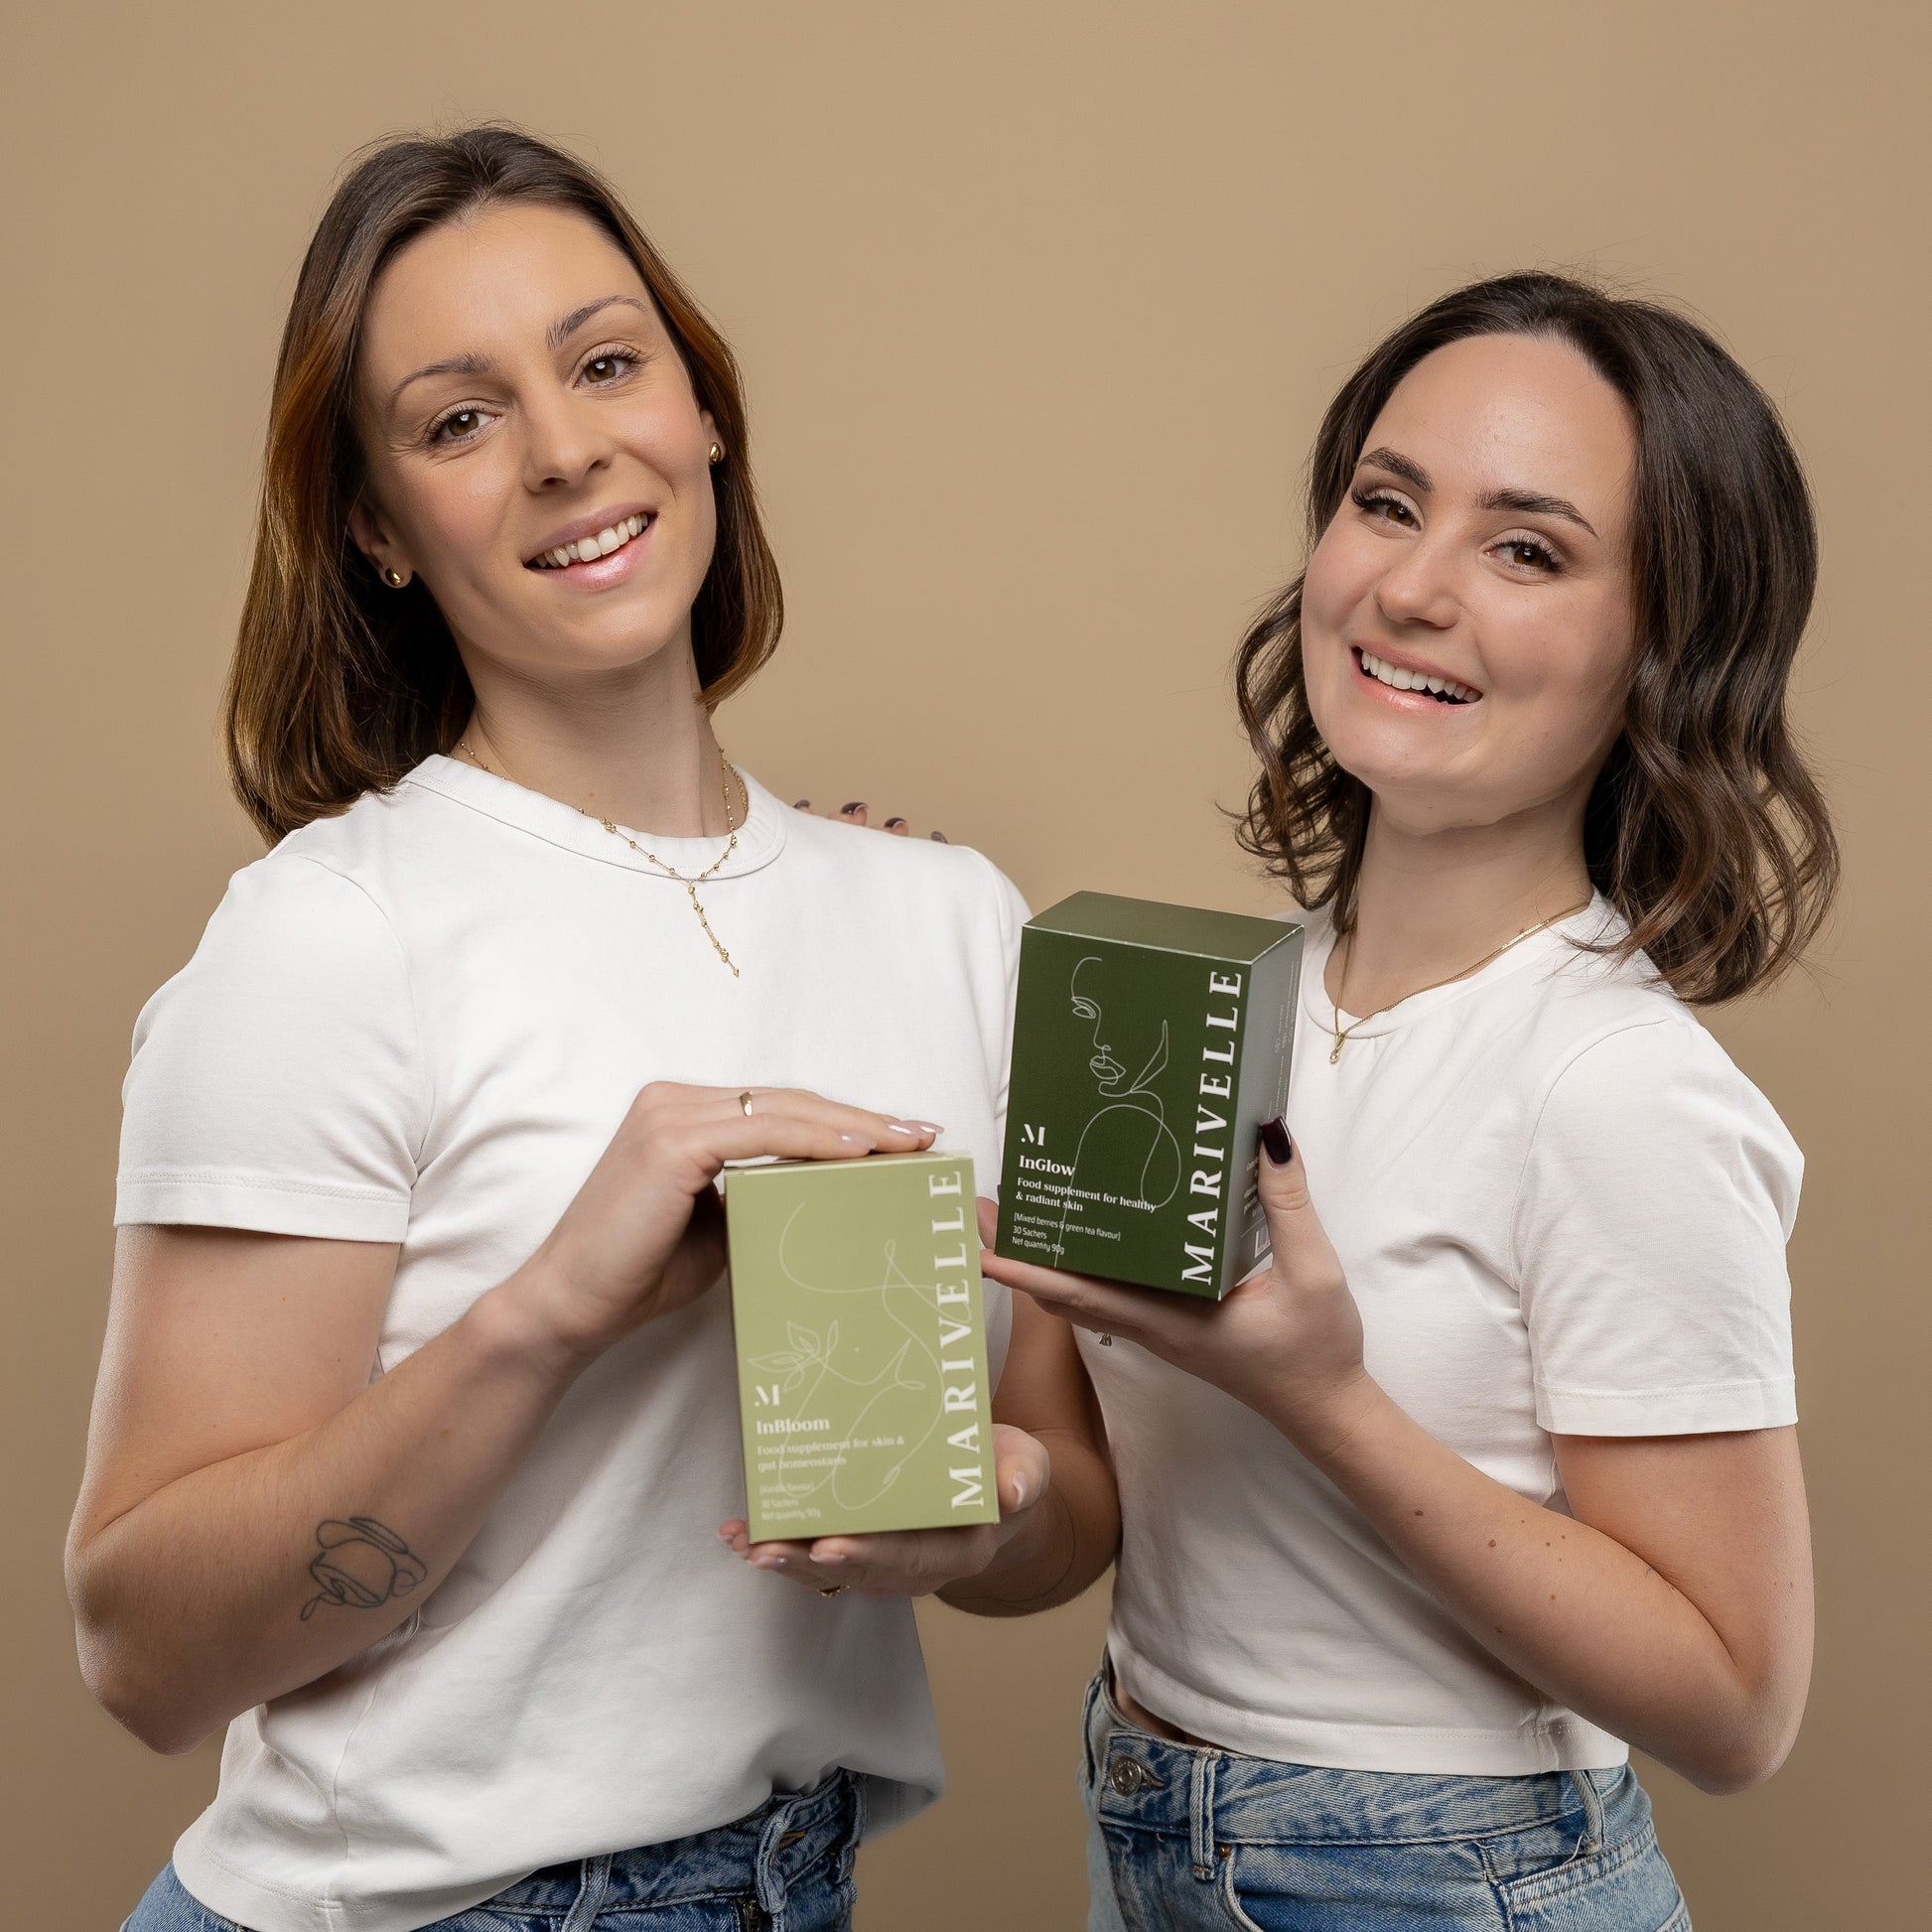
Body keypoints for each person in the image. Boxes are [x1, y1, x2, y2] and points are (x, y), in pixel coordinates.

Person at [67, 125, 1113, 1932]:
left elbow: (1064, 1500)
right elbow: (147, 1653)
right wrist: (548, 1310)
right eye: (459, 418)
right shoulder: (331, 937)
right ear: (378, 528)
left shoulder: (944, 914)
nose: (563, 449)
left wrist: (993, 1512)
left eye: (607, 362)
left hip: (785, 1887)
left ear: (703, 412)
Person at [983, 272, 1836, 1930]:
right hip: (1146, 1824)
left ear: (1659, 651)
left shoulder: (1612, 1085)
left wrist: (1324, 1399)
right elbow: (1070, 1526)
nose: (1411, 588)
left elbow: (1737, 1705)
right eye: (1386, 503)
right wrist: (966, 1518)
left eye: (1525, 549)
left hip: (1445, 1879)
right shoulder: (1199, 1015)